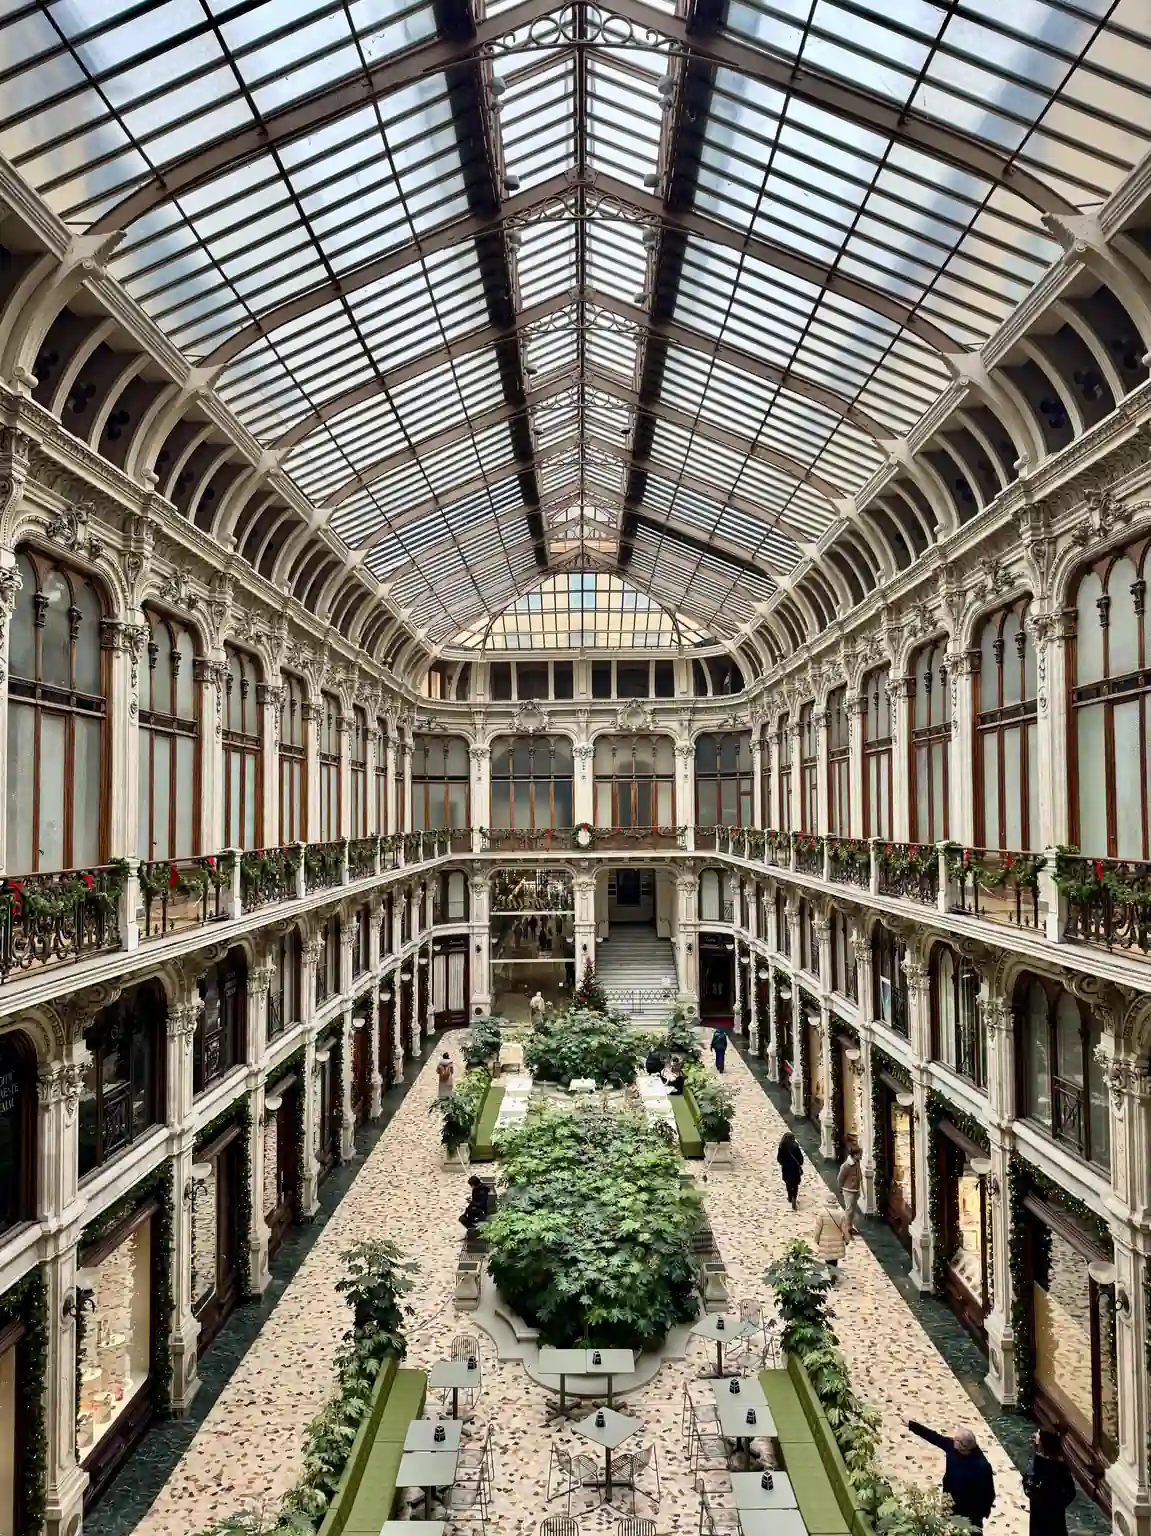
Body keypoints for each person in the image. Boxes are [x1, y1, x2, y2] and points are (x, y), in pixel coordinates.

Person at [907, 1421, 996, 1531]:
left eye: (956, 1440)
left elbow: (989, 1494)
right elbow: (934, 1437)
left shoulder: (982, 1466)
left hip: (970, 1513)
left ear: (963, 1446)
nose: (953, 1440)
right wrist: (912, 1425)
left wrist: (981, 1514)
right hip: (949, 1502)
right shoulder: (952, 1447)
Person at [1022, 1427, 1076, 1536]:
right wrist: (1058, 1506)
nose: (1035, 1434)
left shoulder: (1043, 1463)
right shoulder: (1059, 1466)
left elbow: (1034, 1488)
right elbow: (1071, 1492)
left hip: (1042, 1515)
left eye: (1038, 1433)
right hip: (1050, 1515)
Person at [812, 1198, 851, 1272]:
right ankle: (834, 1273)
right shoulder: (841, 1214)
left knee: (828, 1259)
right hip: (837, 1241)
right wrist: (847, 1240)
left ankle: (830, 1273)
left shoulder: (822, 1214)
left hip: (825, 1241)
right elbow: (845, 1229)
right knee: (834, 1259)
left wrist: (816, 1239)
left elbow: (818, 1228)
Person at [838, 1145, 862, 1233]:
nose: (860, 1156)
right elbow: (840, 1178)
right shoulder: (846, 1166)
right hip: (848, 1190)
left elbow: (858, 1173)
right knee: (849, 1210)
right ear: (854, 1155)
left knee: (852, 1210)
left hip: (855, 1190)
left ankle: (849, 1226)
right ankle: (845, 1226)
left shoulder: (857, 1162)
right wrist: (841, 1188)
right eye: (859, 1154)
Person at [777, 1131, 804, 1209]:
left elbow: (779, 1158)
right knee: (795, 1184)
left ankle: (789, 1196)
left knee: (788, 1183)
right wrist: (800, 1163)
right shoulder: (795, 1146)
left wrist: (783, 1163)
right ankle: (794, 1198)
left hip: (786, 1168)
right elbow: (800, 1157)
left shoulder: (782, 1146)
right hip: (795, 1168)